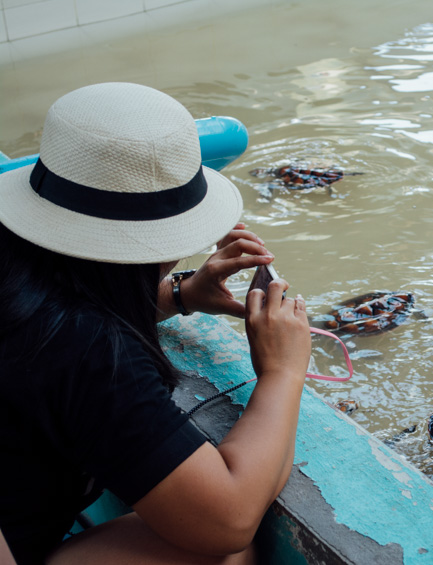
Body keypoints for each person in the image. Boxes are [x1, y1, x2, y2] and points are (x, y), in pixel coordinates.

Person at [0, 83, 312, 564]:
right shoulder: (90, 351)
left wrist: (178, 296)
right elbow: (226, 521)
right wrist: (283, 372)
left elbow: (44, 311)